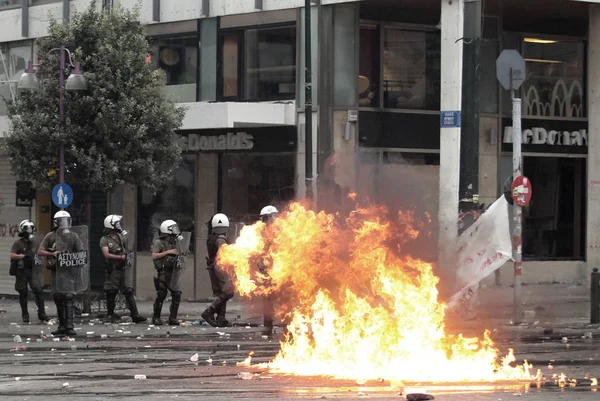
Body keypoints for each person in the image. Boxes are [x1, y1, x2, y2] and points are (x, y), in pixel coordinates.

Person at [38, 211, 83, 337]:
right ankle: (62, 326)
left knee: (68, 297)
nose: (65, 223)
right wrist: (53, 254)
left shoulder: (73, 236)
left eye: (67, 220)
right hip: (56, 272)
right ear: (56, 222)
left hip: (69, 271)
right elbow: (40, 251)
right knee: (58, 298)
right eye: (62, 220)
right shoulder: (50, 236)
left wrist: (73, 257)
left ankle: (70, 326)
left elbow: (81, 252)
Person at [100, 214, 146, 323]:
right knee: (112, 291)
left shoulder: (120, 237)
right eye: (116, 223)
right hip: (113, 269)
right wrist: (119, 257)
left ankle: (135, 314)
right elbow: (106, 254)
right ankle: (110, 314)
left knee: (128, 290)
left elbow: (128, 247)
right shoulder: (104, 239)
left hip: (123, 267)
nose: (119, 225)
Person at [9, 220, 48, 324]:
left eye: (31, 228)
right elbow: (12, 255)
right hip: (22, 271)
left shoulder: (35, 242)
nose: (29, 231)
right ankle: (25, 315)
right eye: (27, 228)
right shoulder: (18, 243)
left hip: (33, 270)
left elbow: (40, 251)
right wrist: (22, 256)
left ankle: (42, 314)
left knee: (39, 291)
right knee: (23, 292)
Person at [202, 213, 234, 328]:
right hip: (220, 267)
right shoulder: (221, 239)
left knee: (220, 293)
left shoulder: (211, 237)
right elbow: (224, 252)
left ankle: (221, 319)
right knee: (229, 291)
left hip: (212, 267)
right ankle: (209, 312)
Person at [151, 219, 183, 326]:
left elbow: (182, 252)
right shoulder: (158, 242)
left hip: (173, 271)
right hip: (163, 272)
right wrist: (168, 252)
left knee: (177, 294)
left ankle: (173, 318)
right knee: (161, 294)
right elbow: (154, 256)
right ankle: (156, 317)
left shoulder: (174, 242)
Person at [259, 206, 278, 336]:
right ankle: (268, 326)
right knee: (267, 300)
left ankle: (288, 325)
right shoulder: (261, 233)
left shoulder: (279, 232)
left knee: (285, 299)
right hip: (267, 271)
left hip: (281, 269)